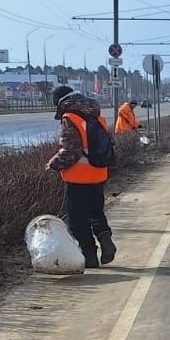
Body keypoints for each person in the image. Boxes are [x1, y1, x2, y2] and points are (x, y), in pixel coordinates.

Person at [46, 85, 117, 268]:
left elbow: (71, 151)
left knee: (78, 220)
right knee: (96, 212)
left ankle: (89, 256)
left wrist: (53, 164)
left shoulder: (70, 118)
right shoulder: (97, 116)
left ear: (60, 102)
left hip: (78, 177)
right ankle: (105, 238)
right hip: (98, 173)